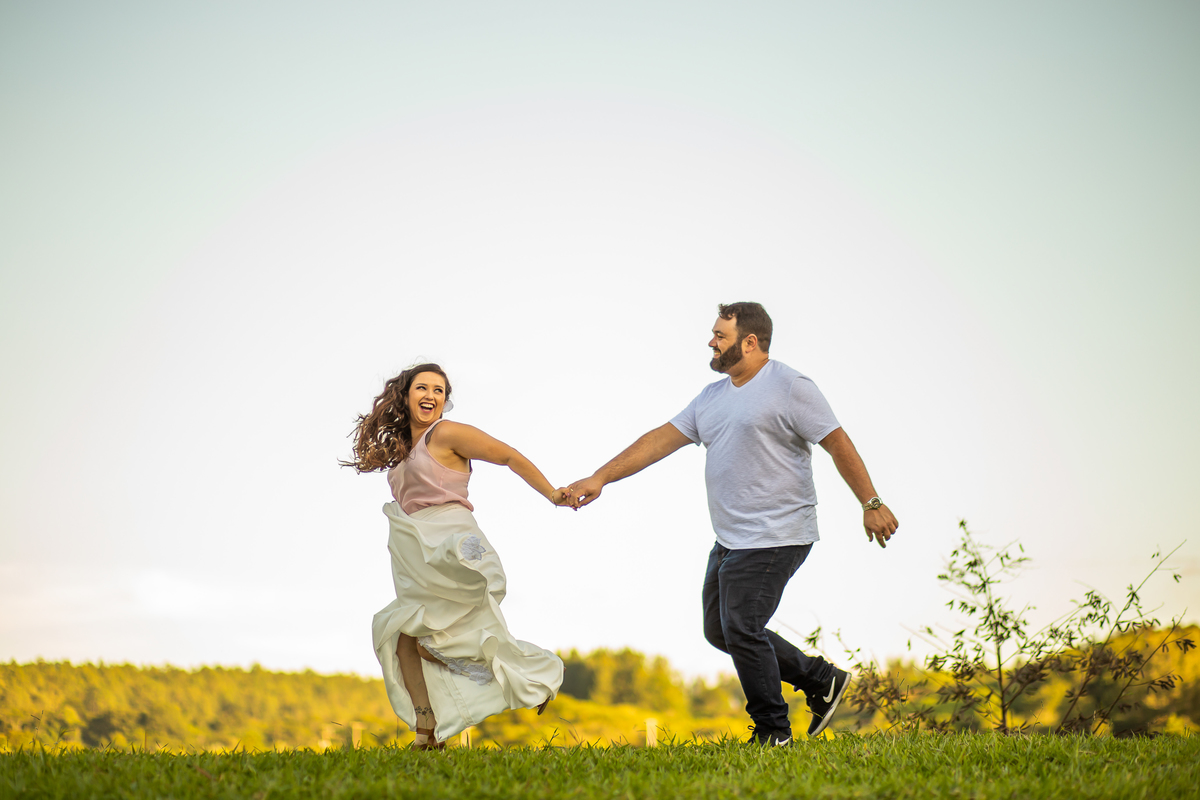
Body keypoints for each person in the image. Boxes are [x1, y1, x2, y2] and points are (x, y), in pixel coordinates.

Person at [568, 303, 898, 746]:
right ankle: (821, 679)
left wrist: (871, 502)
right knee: (721, 630)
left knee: (742, 625)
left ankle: (772, 731)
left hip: (778, 533)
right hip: (731, 539)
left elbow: (837, 442)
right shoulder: (711, 397)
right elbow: (658, 441)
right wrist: (601, 476)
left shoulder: (790, 386)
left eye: (720, 335)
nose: (710, 342)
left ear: (750, 341)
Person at [343, 363, 572, 750]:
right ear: (405, 395)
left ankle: (534, 676)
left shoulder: (446, 433)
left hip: (449, 541)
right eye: (422, 387)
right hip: (416, 552)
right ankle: (426, 734)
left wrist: (551, 493)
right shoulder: (402, 450)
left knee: (430, 638)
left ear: (445, 401)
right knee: (404, 639)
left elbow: (508, 456)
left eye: (439, 390)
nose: (430, 395)